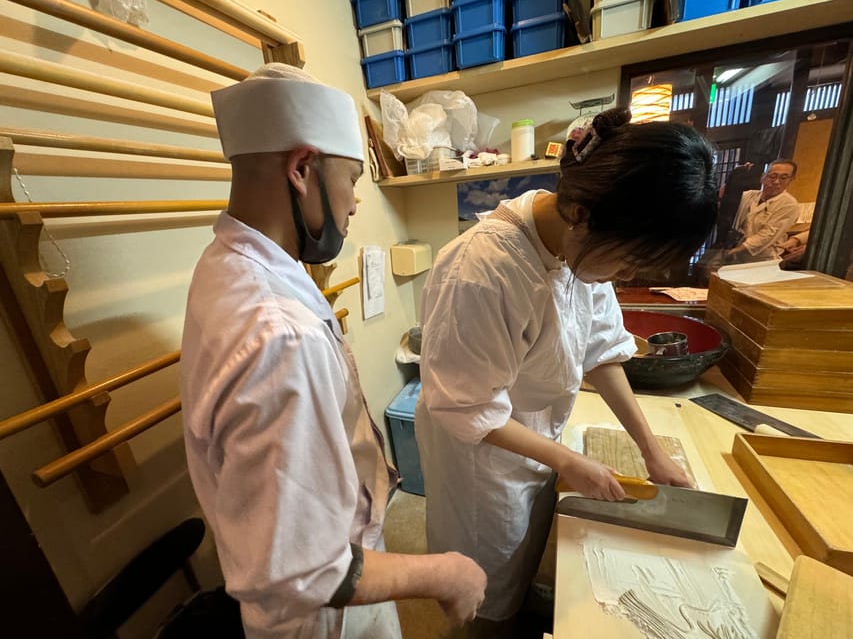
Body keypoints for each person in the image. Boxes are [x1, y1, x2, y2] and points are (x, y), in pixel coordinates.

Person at [180, 63, 486, 639]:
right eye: (350, 182)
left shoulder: (224, 261)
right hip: (320, 620)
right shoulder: (278, 334)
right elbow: (304, 569)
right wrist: (446, 573)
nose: (352, 206)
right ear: (302, 170)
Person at [414, 107, 718, 638]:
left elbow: (602, 350)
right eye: (627, 261)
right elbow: (468, 406)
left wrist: (652, 452)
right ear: (578, 212)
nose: (626, 276)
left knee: (525, 548)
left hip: (535, 436)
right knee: (486, 573)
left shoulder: (585, 243)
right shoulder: (483, 272)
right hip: (482, 459)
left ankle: (510, 606)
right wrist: (570, 460)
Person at [723, 160, 799, 264]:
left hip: (764, 259)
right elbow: (727, 203)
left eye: (783, 178)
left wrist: (737, 249)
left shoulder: (789, 204)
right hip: (737, 256)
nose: (776, 182)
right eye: (772, 176)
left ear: (791, 180)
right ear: (763, 177)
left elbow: (767, 234)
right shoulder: (749, 195)